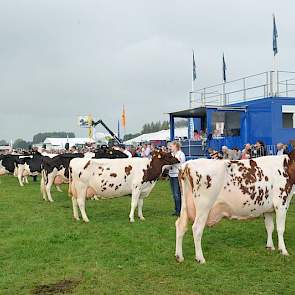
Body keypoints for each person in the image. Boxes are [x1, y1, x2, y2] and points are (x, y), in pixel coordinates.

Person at [168, 141, 186, 217]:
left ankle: (180, 210)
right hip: (171, 175)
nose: (170, 148)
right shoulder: (172, 154)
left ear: (176, 146)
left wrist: (170, 162)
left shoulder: (181, 154)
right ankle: (177, 209)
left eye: (171, 146)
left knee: (177, 194)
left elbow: (179, 163)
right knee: (174, 194)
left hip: (177, 175)